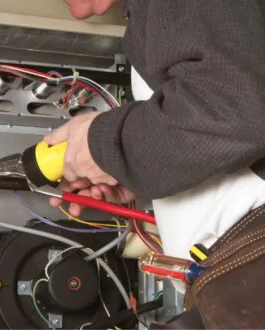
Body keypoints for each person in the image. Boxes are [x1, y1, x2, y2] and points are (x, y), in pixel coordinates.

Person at [47, 0, 265, 288]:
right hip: (238, 277)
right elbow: (217, 124)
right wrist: (133, 172)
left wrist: (101, 146)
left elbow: (233, 108)